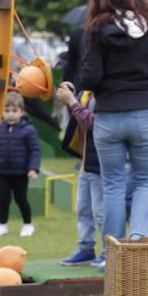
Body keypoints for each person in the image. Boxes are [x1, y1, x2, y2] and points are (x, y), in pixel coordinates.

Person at [79, 0, 148, 242]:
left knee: (113, 185)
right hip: (144, 113)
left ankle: (112, 250)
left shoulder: (96, 30)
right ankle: (139, 238)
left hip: (108, 116)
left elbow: (91, 78)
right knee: (144, 181)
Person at [56, 82, 106, 267]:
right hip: (85, 162)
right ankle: (86, 248)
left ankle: (109, 251)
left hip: (100, 162)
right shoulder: (86, 92)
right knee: (82, 209)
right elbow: (76, 119)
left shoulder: (107, 92)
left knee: (100, 212)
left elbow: (95, 124)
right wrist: (71, 98)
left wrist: (72, 101)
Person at [0, 91, 40, 238]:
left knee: (21, 198)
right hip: (2, 172)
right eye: (7, 111)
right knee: (3, 199)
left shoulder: (28, 130)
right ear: (2, 112)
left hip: (20, 173)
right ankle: (2, 225)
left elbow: (35, 151)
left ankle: (28, 224)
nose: (11, 114)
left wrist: (33, 169)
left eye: (14, 111)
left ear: (22, 112)